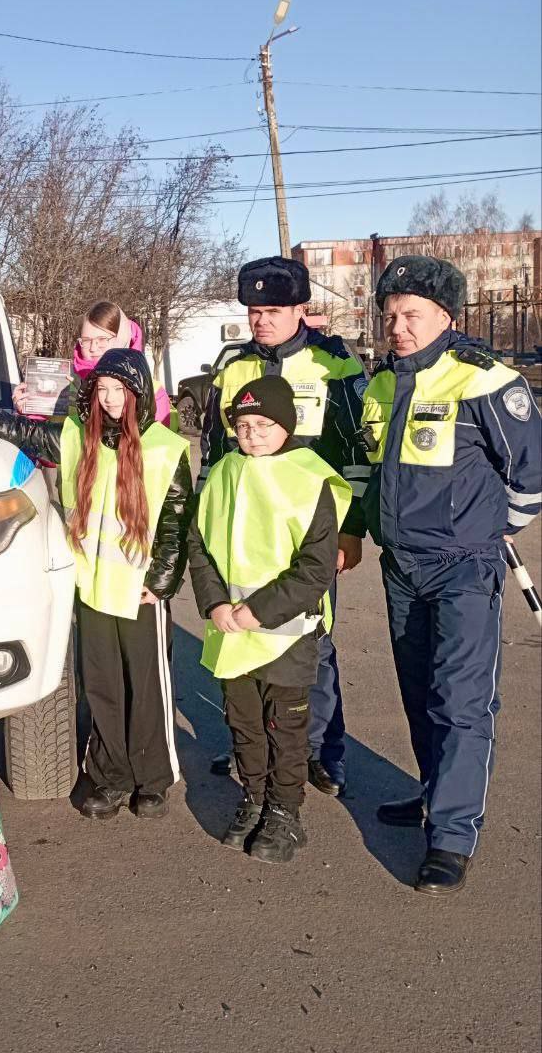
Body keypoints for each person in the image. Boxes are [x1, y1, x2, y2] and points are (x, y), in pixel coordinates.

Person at [0, 349, 191, 819]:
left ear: (137, 392)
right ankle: (110, 776)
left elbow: (176, 521)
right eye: (102, 390)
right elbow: (18, 430)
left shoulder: (165, 448)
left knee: (146, 687)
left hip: (140, 592)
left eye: (119, 390)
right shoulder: (75, 437)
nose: (110, 399)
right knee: (102, 687)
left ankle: (152, 779)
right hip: (91, 586)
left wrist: (161, 580)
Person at [362, 255, 541, 895]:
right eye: (390, 316)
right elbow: (371, 471)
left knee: (460, 702)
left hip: (464, 567)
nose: (398, 328)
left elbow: (531, 473)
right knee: (419, 693)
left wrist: (492, 531)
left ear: (446, 316)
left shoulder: (485, 379)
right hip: (401, 567)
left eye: (412, 315)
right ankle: (435, 792)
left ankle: (452, 837)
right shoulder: (382, 385)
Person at [198, 256, 368, 797]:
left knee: (313, 641)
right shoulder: (233, 367)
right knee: (243, 636)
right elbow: (214, 452)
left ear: (300, 309)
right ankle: (252, 745)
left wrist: (351, 529)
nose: (261, 320)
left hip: (307, 533)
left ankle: (320, 750)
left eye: (273, 310)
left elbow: (355, 451)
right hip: (242, 529)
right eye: (254, 311)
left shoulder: (332, 363)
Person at [189, 376, 352, 863]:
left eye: (264, 424)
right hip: (231, 629)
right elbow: (199, 544)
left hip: (286, 632)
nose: (253, 434)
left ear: (286, 425)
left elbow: (316, 567)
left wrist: (259, 610)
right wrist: (215, 604)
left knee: (285, 727)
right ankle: (255, 796)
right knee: (244, 723)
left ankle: (285, 811)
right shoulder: (224, 471)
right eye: (243, 426)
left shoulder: (310, 478)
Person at [13, 299, 173, 426]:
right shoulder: (64, 383)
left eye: (102, 339)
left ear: (122, 339)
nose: (93, 348)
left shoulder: (152, 392)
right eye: (86, 340)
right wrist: (27, 411)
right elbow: (40, 443)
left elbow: (154, 448)